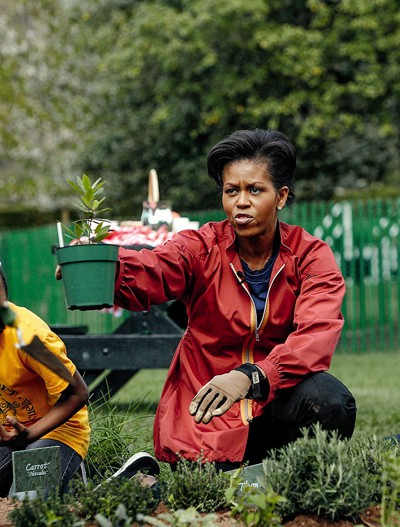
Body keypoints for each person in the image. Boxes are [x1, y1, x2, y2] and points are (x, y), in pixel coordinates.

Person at [57, 128, 356, 479]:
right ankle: (193, 478)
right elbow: (157, 266)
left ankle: (287, 480)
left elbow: (315, 336)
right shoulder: (201, 246)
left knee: (331, 401)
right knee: (207, 488)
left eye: (254, 190)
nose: (241, 202)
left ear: (281, 196)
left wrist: (253, 376)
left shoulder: (310, 256)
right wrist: (107, 269)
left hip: (273, 401)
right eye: (232, 191)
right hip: (206, 409)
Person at [0, 269, 90, 497]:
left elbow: (78, 392)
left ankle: (76, 479)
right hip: (8, 435)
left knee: (25, 504)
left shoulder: (30, 338)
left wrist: (30, 434)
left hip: (57, 431)